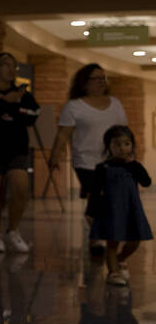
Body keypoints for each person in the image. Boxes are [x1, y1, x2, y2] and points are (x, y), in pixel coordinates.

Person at [47, 63, 126, 253]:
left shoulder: (115, 103)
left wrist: (128, 154)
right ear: (84, 83)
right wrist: (55, 156)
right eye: (96, 78)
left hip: (111, 160)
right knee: (96, 195)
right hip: (85, 160)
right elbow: (63, 134)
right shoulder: (74, 106)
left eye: (103, 78)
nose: (101, 82)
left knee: (106, 199)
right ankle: (97, 238)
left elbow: (124, 132)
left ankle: (95, 232)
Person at [0, 52, 40, 252]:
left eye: (14, 66)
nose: (11, 70)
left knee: (21, 188)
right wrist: (8, 103)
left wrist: (6, 103)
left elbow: (31, 116)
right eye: (6, 65)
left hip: (17, 149)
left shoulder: (24, 95)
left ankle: (13, 230)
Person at [85, 125, 151, 285]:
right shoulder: (103, 168)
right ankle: (113, 273)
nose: (122, 148)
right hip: (111, 211)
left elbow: (146, 182)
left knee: (134, 241)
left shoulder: (133, 167)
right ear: (109, 147)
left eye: (126, 144)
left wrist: (135, 165)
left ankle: (121, 259)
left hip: (131, 210)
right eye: (117, 144)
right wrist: (91, 212)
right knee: (112, 242)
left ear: (132, 146)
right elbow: (94, 192)